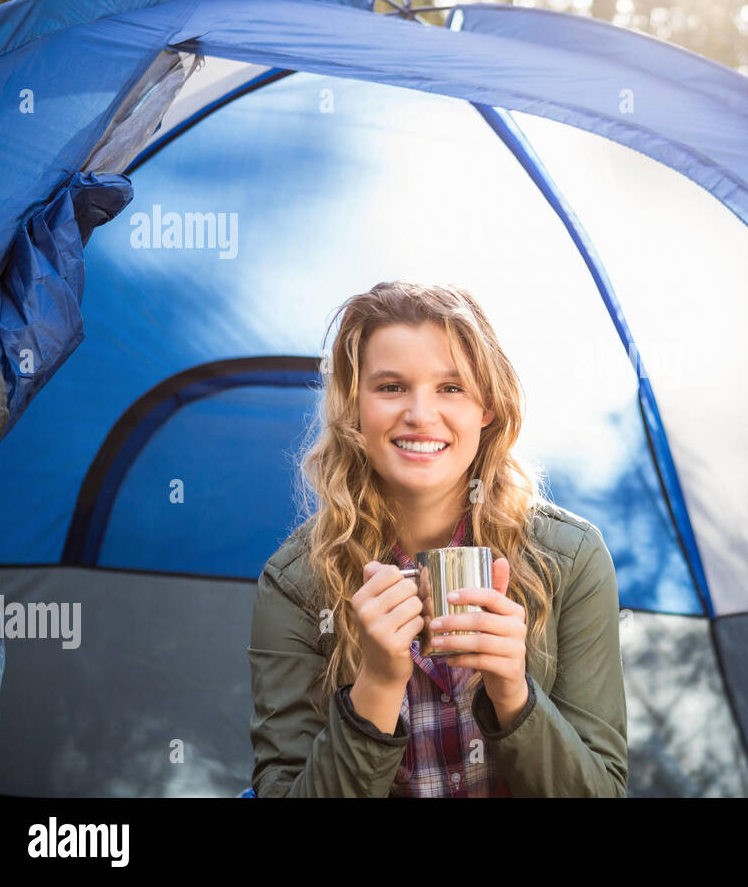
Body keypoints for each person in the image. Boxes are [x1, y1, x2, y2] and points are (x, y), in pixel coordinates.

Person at [248, 281, 628, 797]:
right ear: (353, 408)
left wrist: (514, 695)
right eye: (391, 387)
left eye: (451, 388)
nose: (421, 414)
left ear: (487, 407)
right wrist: (377, 687)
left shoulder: (570, 561)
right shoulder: (296, 584)